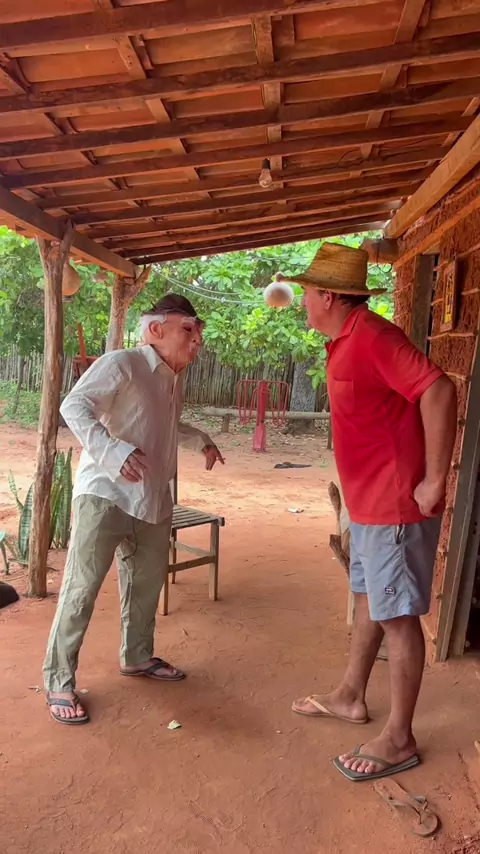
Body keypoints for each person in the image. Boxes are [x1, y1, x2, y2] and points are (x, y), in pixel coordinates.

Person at [278, 243, 457, 781]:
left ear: (329, 297)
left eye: (307, 293)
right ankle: (351, 695)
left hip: (394, 505)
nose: (303, 301)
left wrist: (434, 479)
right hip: (367, 506)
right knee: (368, 598)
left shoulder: (374, 337)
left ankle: (399, 738)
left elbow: (438, 389)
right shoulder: (343, 340)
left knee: (398, 618)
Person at [44, 293, 224, 726]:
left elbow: (166, 424)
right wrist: (112, 451)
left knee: (145, 586)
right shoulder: (122, 363)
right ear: (155, 329)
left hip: (152, 498)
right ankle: (58, 679)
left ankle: (137, 656)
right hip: (104, 495)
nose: (197, 340)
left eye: (198, 331)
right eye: (188, 329)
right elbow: (74, 406)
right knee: (82, 588)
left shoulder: (173, 379)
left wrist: (201, 439)